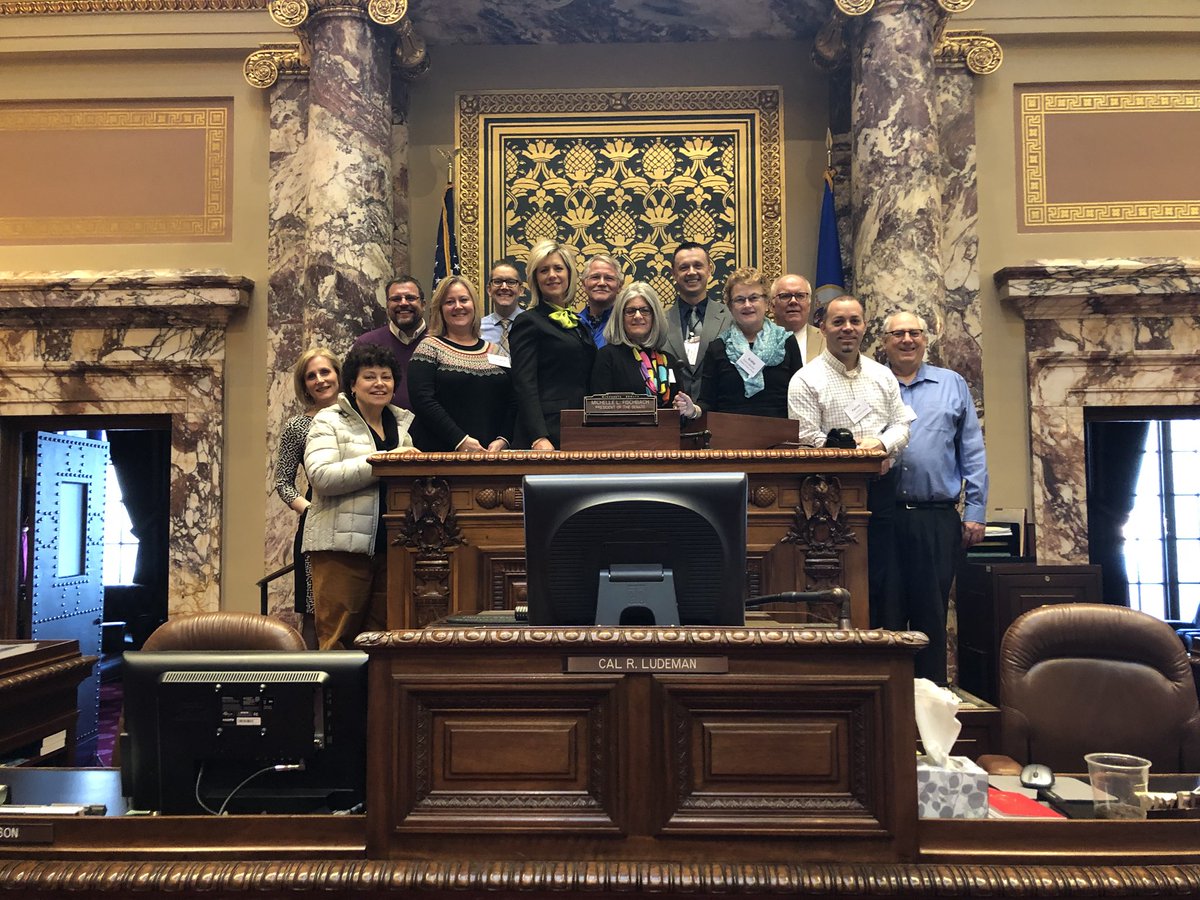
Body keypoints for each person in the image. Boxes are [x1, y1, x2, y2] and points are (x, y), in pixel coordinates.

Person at [787, 295, 912, 627]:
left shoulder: (882, 376)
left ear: (865, 327)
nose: (847, 329)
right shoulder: (806, 379)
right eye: (838, 322)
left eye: (854, 321)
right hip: (829, 498)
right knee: (834, 579)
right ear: (823, 327)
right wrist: (855, 456)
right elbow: (805, 437)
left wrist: (881, 445)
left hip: (882, 491)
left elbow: (902, 424)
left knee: (882, 577)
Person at [882, 310, 988, 684]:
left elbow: (972, 450)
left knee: (931, 614)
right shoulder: (873, 383)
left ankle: (930, 709)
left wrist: (975, 510)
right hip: (883, 518)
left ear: (926, 339)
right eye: (898, 334)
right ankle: (890, 706)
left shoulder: (951, 383)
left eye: (914, 333)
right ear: (884, 342)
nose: (907, 340)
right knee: (886, 616)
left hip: (936, 517)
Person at [303, 343, 416, 650]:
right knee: (338, 644)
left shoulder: (401, 425)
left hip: (390, 551)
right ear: (352, 384)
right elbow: (322, 477)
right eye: (370, 377)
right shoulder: (329, 420)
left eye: (387, 377)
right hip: (342, 551)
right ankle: (334, 702)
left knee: (381, 646)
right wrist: (387, 461)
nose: (379, 384)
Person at [273, 347, 341, 648]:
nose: (319, 380)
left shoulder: (360, 416)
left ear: (339, 375)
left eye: (325, 372)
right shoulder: (297, 427)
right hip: (316, 528)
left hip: (361, 524)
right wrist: (310, 510)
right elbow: (283, 483)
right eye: (311, 376)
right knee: (315, 613)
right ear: (305, 385)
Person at [408, 275, 516, 452]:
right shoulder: (429, 347)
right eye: (449, 302)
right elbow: (422, 400)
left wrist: (503, 439)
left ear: (474, 305)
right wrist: (460, 440)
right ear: (440, 309)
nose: (458, 306)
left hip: (490, 455)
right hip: (441, 454)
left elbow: (513, 400)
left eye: (464, 300)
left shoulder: (496, 351)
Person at [509, 238, 596, 450]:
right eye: (544, 270)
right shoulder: (528, 321)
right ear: (535, 279)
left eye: (558, 268)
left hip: (579, 428)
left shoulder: (579, 323)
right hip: (546, 433)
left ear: (569, 274)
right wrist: (538, 436)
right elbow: (524, 383)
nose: (552, 275)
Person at [686, 267, 802, 419]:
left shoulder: (786, 342)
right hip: (730, 437)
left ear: (767, 302)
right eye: (740, 299)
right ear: (730, 306)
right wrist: (693, 410)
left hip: (780, 436)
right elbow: (707, 402)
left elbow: (799, 398)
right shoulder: (718, 348)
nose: (747, 305)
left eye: (754, 298)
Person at [590, 282, 694, 414]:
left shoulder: (669, 361)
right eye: (630, 311)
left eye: (645, 310)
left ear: (654, 316)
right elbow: (598, 412)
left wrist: (683, 410)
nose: (638, 316)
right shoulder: (608, 356)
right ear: (620, 318)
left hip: (665, 433)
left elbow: (681, 419)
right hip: (622, 433)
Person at [662, 241, 731, 398]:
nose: (691, 272)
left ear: (709, 270)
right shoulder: (659, 322)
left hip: (717, 414)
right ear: (673, 273)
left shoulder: (730, 318)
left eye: (698, 266)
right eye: (684, 267)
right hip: (672, 415)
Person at [352, 275, 426, 409]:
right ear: (387, 306)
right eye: (396, 299)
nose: (403, 303)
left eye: (410, 298)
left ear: (423, 304)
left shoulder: (441, 340)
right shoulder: (366, 343)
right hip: (382, 427)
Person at [770, 273, 825, 364]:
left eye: (800, 296)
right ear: (772, 305)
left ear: (809, 303)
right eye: (785, 296)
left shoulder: (828, 341)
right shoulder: (758, 340)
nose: (793, 301)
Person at [479, 260, 525, 356]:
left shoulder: (532, 324)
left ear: (521, 290)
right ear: (489, 290)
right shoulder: (478, 329)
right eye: (498, 281)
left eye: (511, 282)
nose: (504, 287)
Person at [579, 254, 623, 349]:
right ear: (584, 284)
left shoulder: (625, 324)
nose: (602, 283)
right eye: (595, 277)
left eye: (609, 278)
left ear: (619, 286)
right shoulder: (575, 324)